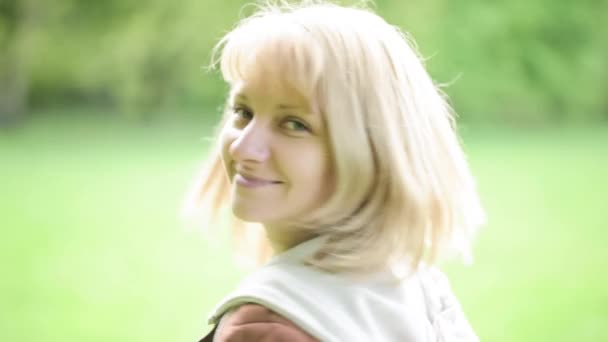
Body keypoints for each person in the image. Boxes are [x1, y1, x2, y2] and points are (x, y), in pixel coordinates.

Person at [186, 0, 485, 340]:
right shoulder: (415, 287)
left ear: (373, 150)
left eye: (294, 124)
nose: (242, 147)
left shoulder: (268, 327)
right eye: (244, 111)